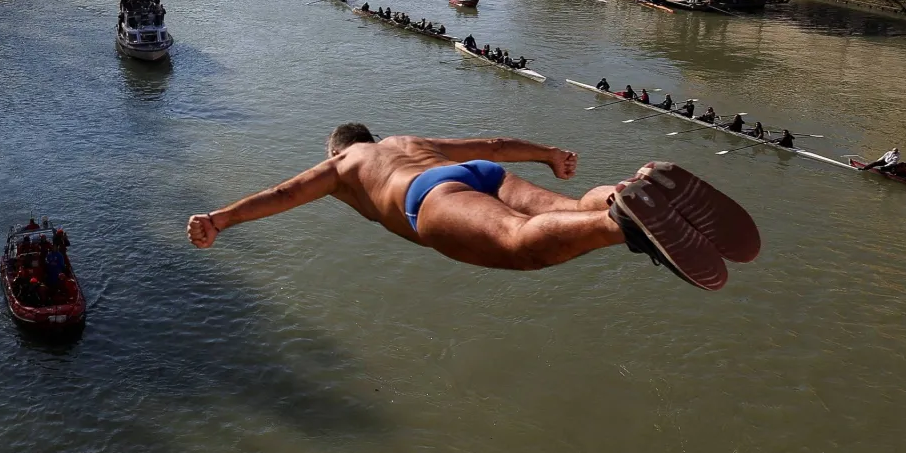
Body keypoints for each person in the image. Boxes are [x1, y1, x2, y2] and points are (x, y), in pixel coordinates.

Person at [187, 123, 762, 293]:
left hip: (428, 199)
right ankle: (628, 192)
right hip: (473, 174)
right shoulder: (405, 142)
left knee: (520, 245)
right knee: (563, 210)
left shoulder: (343, 165)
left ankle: (622, 223)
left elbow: (284, 195)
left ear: (336, 148)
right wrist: (549, 153)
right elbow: (490, 148)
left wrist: (220, 219)